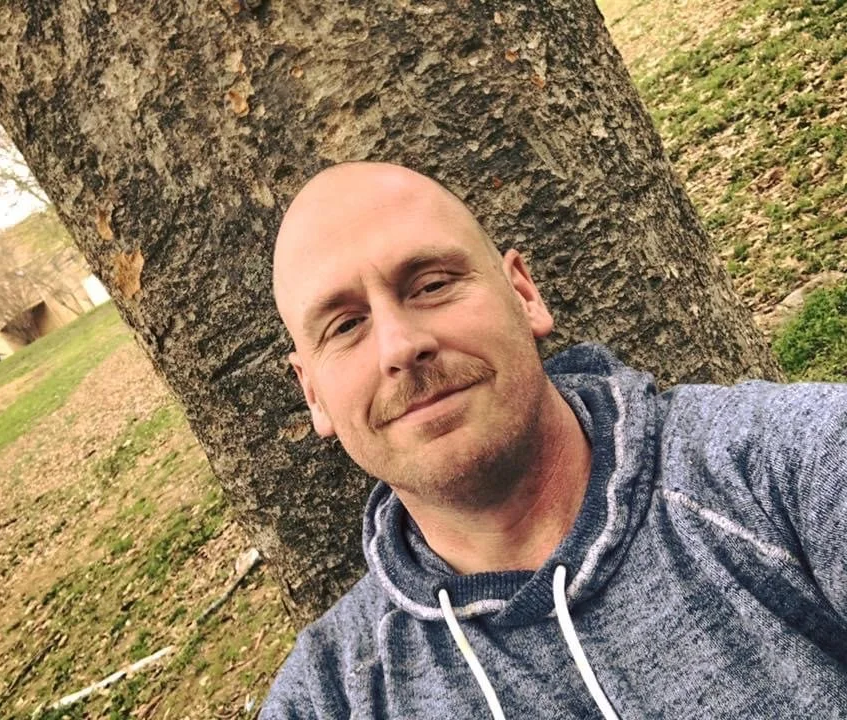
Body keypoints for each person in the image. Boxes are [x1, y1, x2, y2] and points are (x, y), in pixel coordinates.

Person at [262, 161, 847, 719]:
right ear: (313, 393)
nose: (399, 346)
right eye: (345, 325)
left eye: (432, 285)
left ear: (524, 295)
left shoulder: (784, 468)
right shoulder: (331, 695)